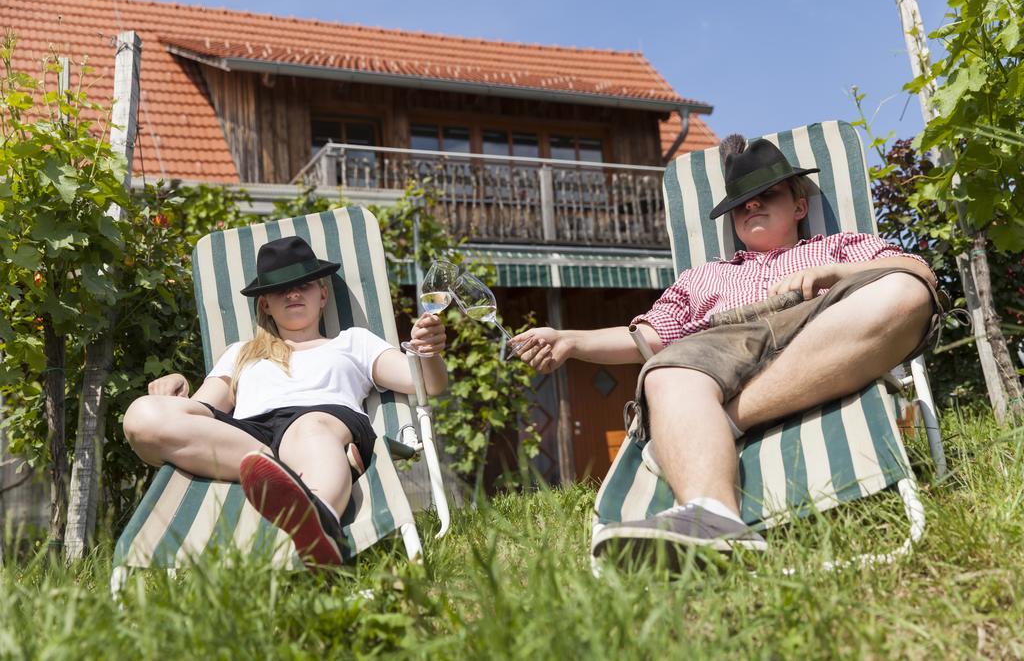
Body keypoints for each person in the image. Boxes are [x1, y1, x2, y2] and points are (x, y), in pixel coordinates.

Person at [511, 136, 942, 559]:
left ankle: (722, 421)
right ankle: (713, 516)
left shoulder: (837, 247)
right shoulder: (703, 277)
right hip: (723, 343)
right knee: (666, 371)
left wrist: (836, 272)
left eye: (765, 194)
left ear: (799, 207)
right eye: (741, 203)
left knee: (906, 294)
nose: (751, 205)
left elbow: (915, 271)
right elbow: (649, 337)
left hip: (819, 324)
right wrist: (569, 340)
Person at [123, 236, 448, 568]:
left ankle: (320, 525)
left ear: (322, 294)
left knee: (308, 428)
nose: (293, 293)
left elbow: (427, 383)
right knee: (140, 415)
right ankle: (280, 475)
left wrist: (430, 352)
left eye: (304, 285)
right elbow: (203, 410)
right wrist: (177, 390)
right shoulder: (240, 353)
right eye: (280, 289)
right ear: (265, 304)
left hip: (323, 424)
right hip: (250, 439)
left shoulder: (354, 342)